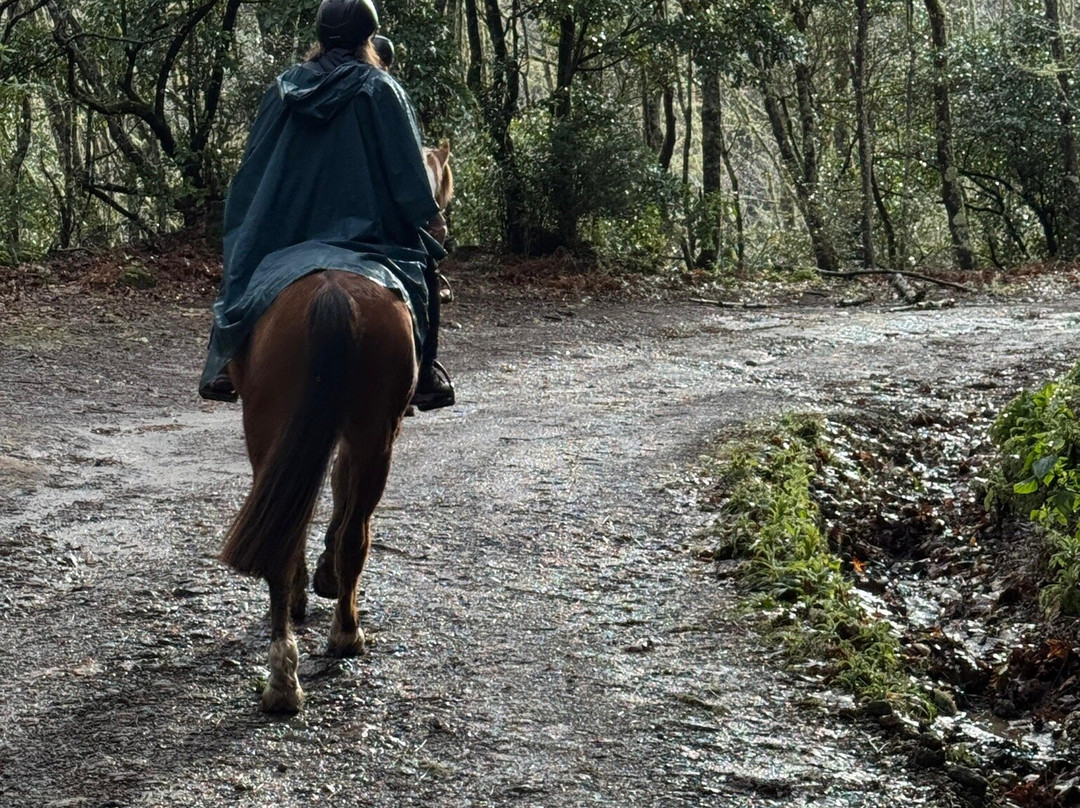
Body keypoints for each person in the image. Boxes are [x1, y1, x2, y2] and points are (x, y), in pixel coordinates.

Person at [199, 0, 455, 411]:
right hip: (370, 238)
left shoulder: (283, 89)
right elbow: (406, 172)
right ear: (369, 38)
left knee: (242, 268)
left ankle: (225, 364)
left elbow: (253, 169)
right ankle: (426, 376)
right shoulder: (382, 90)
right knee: (424, 270)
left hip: (288, 233)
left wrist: (249, 220)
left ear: (319, 36)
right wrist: (430, 215)